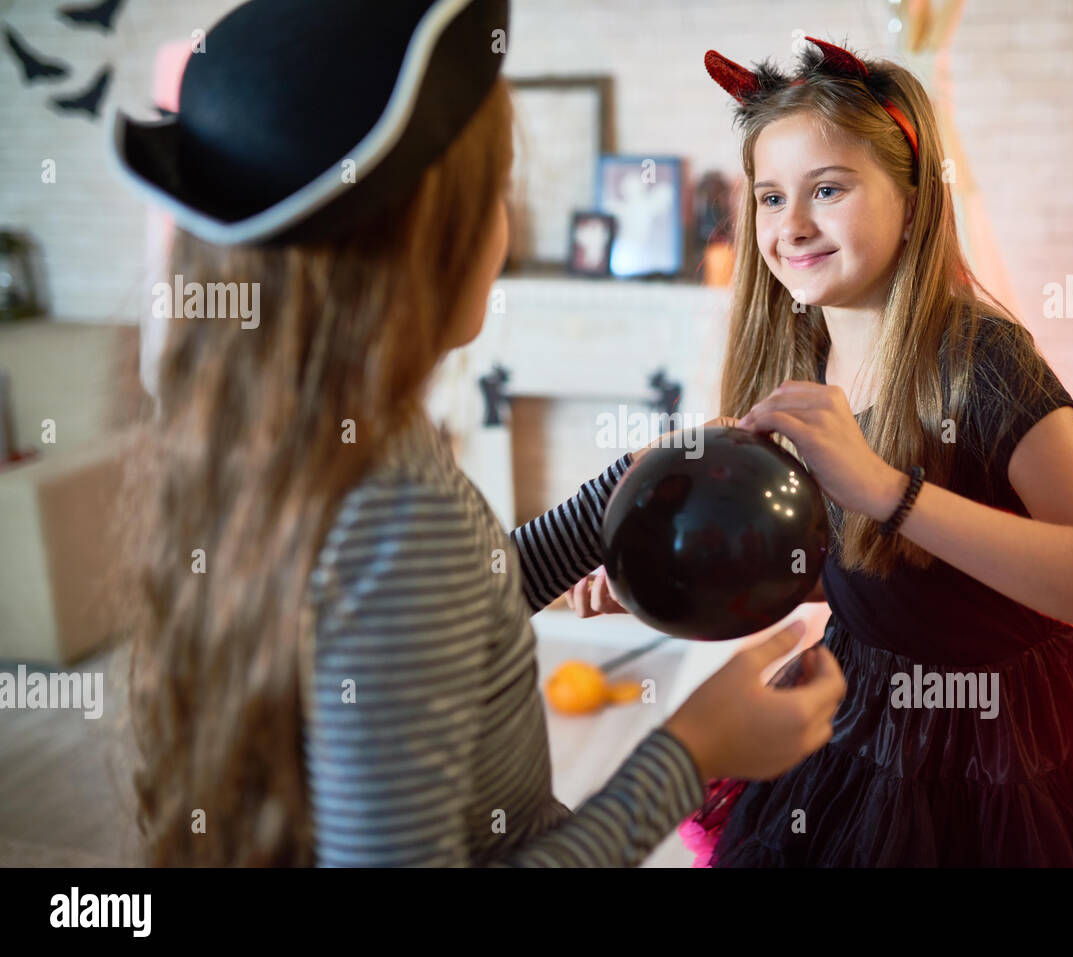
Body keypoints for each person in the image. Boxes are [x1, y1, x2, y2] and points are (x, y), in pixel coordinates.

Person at [110, 0, 845, 867]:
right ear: (425, 241)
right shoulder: (392, 511)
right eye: (500, 193)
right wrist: (689, 754)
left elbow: (461, 610)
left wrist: (608, 497)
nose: (506, 229)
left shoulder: (318, 445)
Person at [576, 37, 1073, 867]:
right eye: (771, 197)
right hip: (864, 727)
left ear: (915, 204)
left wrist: (891, 490)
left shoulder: (985, 363)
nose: (793, 225)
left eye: (829, 189)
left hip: (1021, 750)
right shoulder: (799, 360)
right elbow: (855, 573)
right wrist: (678, 587)